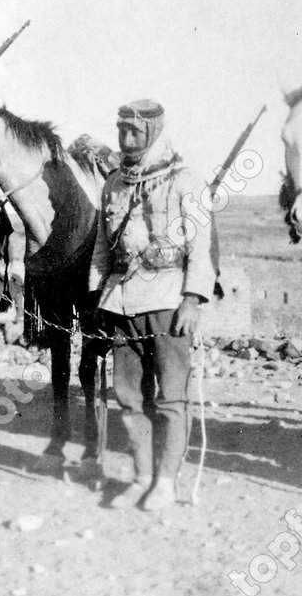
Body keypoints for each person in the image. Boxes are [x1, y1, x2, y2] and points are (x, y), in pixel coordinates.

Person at [89, 100, 214, 511]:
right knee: (128, 398)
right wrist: (97, 297)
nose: (126, 139)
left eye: (135, 133)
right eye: (121, 131)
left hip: (168, 300)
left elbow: (200, 249)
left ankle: (164, 481)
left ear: (154, 133)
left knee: (170, 399)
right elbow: (101, 250)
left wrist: (193, 300)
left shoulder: (185, 180)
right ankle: (141, 476)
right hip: (122, 302)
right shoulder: (113, 183)